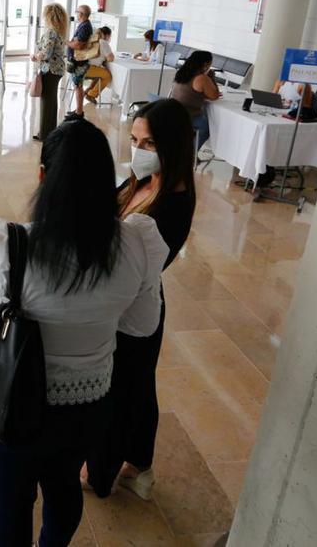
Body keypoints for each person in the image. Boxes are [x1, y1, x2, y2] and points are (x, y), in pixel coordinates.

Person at [0, 118, 168, 547]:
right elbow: (141, 326)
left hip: (15, 406)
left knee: (11, 505)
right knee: (65, 486)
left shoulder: (12, 246)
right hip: (89, 406)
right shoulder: (138, 242)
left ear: (43, 177)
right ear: (110, 181)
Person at [85, 98, 196, 501]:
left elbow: (135, 262)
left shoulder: (173, 202)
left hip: (134, 308)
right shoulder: (141, 182)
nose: (138, 151)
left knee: (120, 393)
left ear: (173, 145)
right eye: (134, 140)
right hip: (117, 298)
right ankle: (139, 465)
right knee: (136, 389)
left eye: (148, 144)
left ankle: (102, 473)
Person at [169, 50, 220, 151]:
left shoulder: (181, 73)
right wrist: (212, 78)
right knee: (206, 127)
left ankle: (185, 148)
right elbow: (215, 95)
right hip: (188, 115)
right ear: (205, 64)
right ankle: (190, 153)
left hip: (173, 111)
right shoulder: (201, 78)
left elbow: (191, 92)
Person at [31, 2, 67, 142]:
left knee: (46, 101)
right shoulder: (59, 31)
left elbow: (46, 53)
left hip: (50, 70)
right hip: (56, 70)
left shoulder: (51, 32)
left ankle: (45, 134)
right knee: (51, 100)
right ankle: (49, 131)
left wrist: (35, 56)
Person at [65, 5, 94, 116]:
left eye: (77, 12)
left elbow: (78, 45)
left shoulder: (85, 27)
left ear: (81, 14)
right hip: (77, 61)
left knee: (78, 86)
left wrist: (67, 42)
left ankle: (79, 112)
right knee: (78, 86)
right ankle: (78, 110)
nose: (76, 14)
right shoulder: (84, 25)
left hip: (79, 63)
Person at [81, 26, 116, 104]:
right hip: (88, 69)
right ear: (107, 35)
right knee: (107, 76)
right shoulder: (103, 42)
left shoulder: (93, 40)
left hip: (82, 67)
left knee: (100, 73)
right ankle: (92, 95)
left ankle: (88, 91)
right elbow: (110, 58)